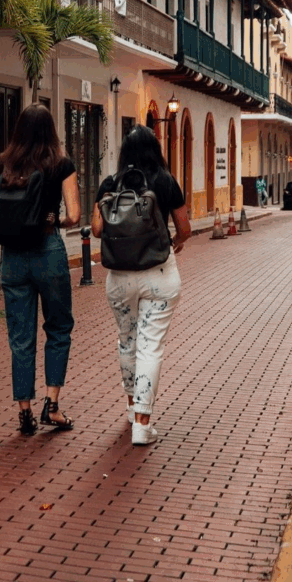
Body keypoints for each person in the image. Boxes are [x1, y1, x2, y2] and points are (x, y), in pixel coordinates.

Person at [90, 125, 191, 447]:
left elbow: (95, 229)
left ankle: (132, 407)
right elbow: (185, 228)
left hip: (119, 278)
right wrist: (174, 243)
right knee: (150, 346)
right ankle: (142, 425)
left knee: (127, 342)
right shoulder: (165, 180)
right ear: (155, 149)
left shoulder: (110, 184)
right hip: (159, 274)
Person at [0, 104, 80, 436]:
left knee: (20, 336)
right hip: (48, 250)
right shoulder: (61, 163)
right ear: (51, 130)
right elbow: (75, 215)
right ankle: (52, 406)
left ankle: (24, 411)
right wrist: (52, 217)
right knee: (58, 328)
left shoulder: (2, 164)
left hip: (12, 258)